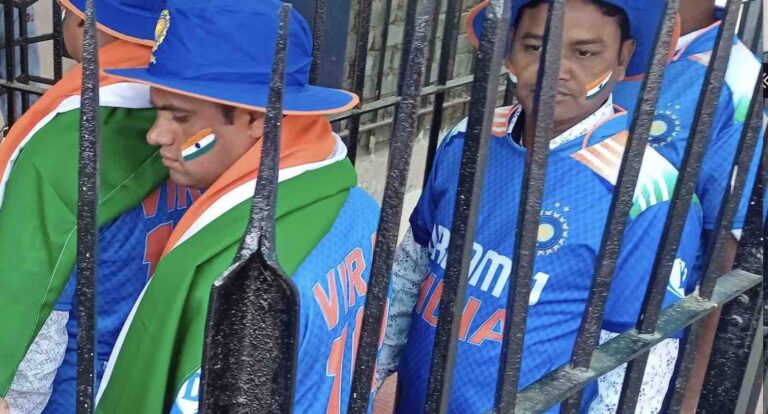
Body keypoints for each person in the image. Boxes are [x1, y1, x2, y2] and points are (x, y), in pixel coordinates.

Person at [375, 0, 703, 412]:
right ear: (510, 49)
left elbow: (637, 362)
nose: (554, 69)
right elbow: (411, 267)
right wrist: (372, 378)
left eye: (584, 53)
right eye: (534, 47)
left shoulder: (646, 194)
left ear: (623, 58)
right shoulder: (468, 137)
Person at [93, 0, 380, 413]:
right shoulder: (357, 206)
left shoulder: (242, 272)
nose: (156, 135)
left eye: (181, 118)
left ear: (256, 119)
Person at [0, 1, 193, 413]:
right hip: (158, 362)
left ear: (83, 21)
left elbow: (37, 302)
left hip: (78, 383)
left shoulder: (65, 143)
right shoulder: (194, 113)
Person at [611, 1, 763, 411]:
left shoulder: (735, 78)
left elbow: (733, 252)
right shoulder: (599, 26)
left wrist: (691, 394)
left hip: (636, 331)